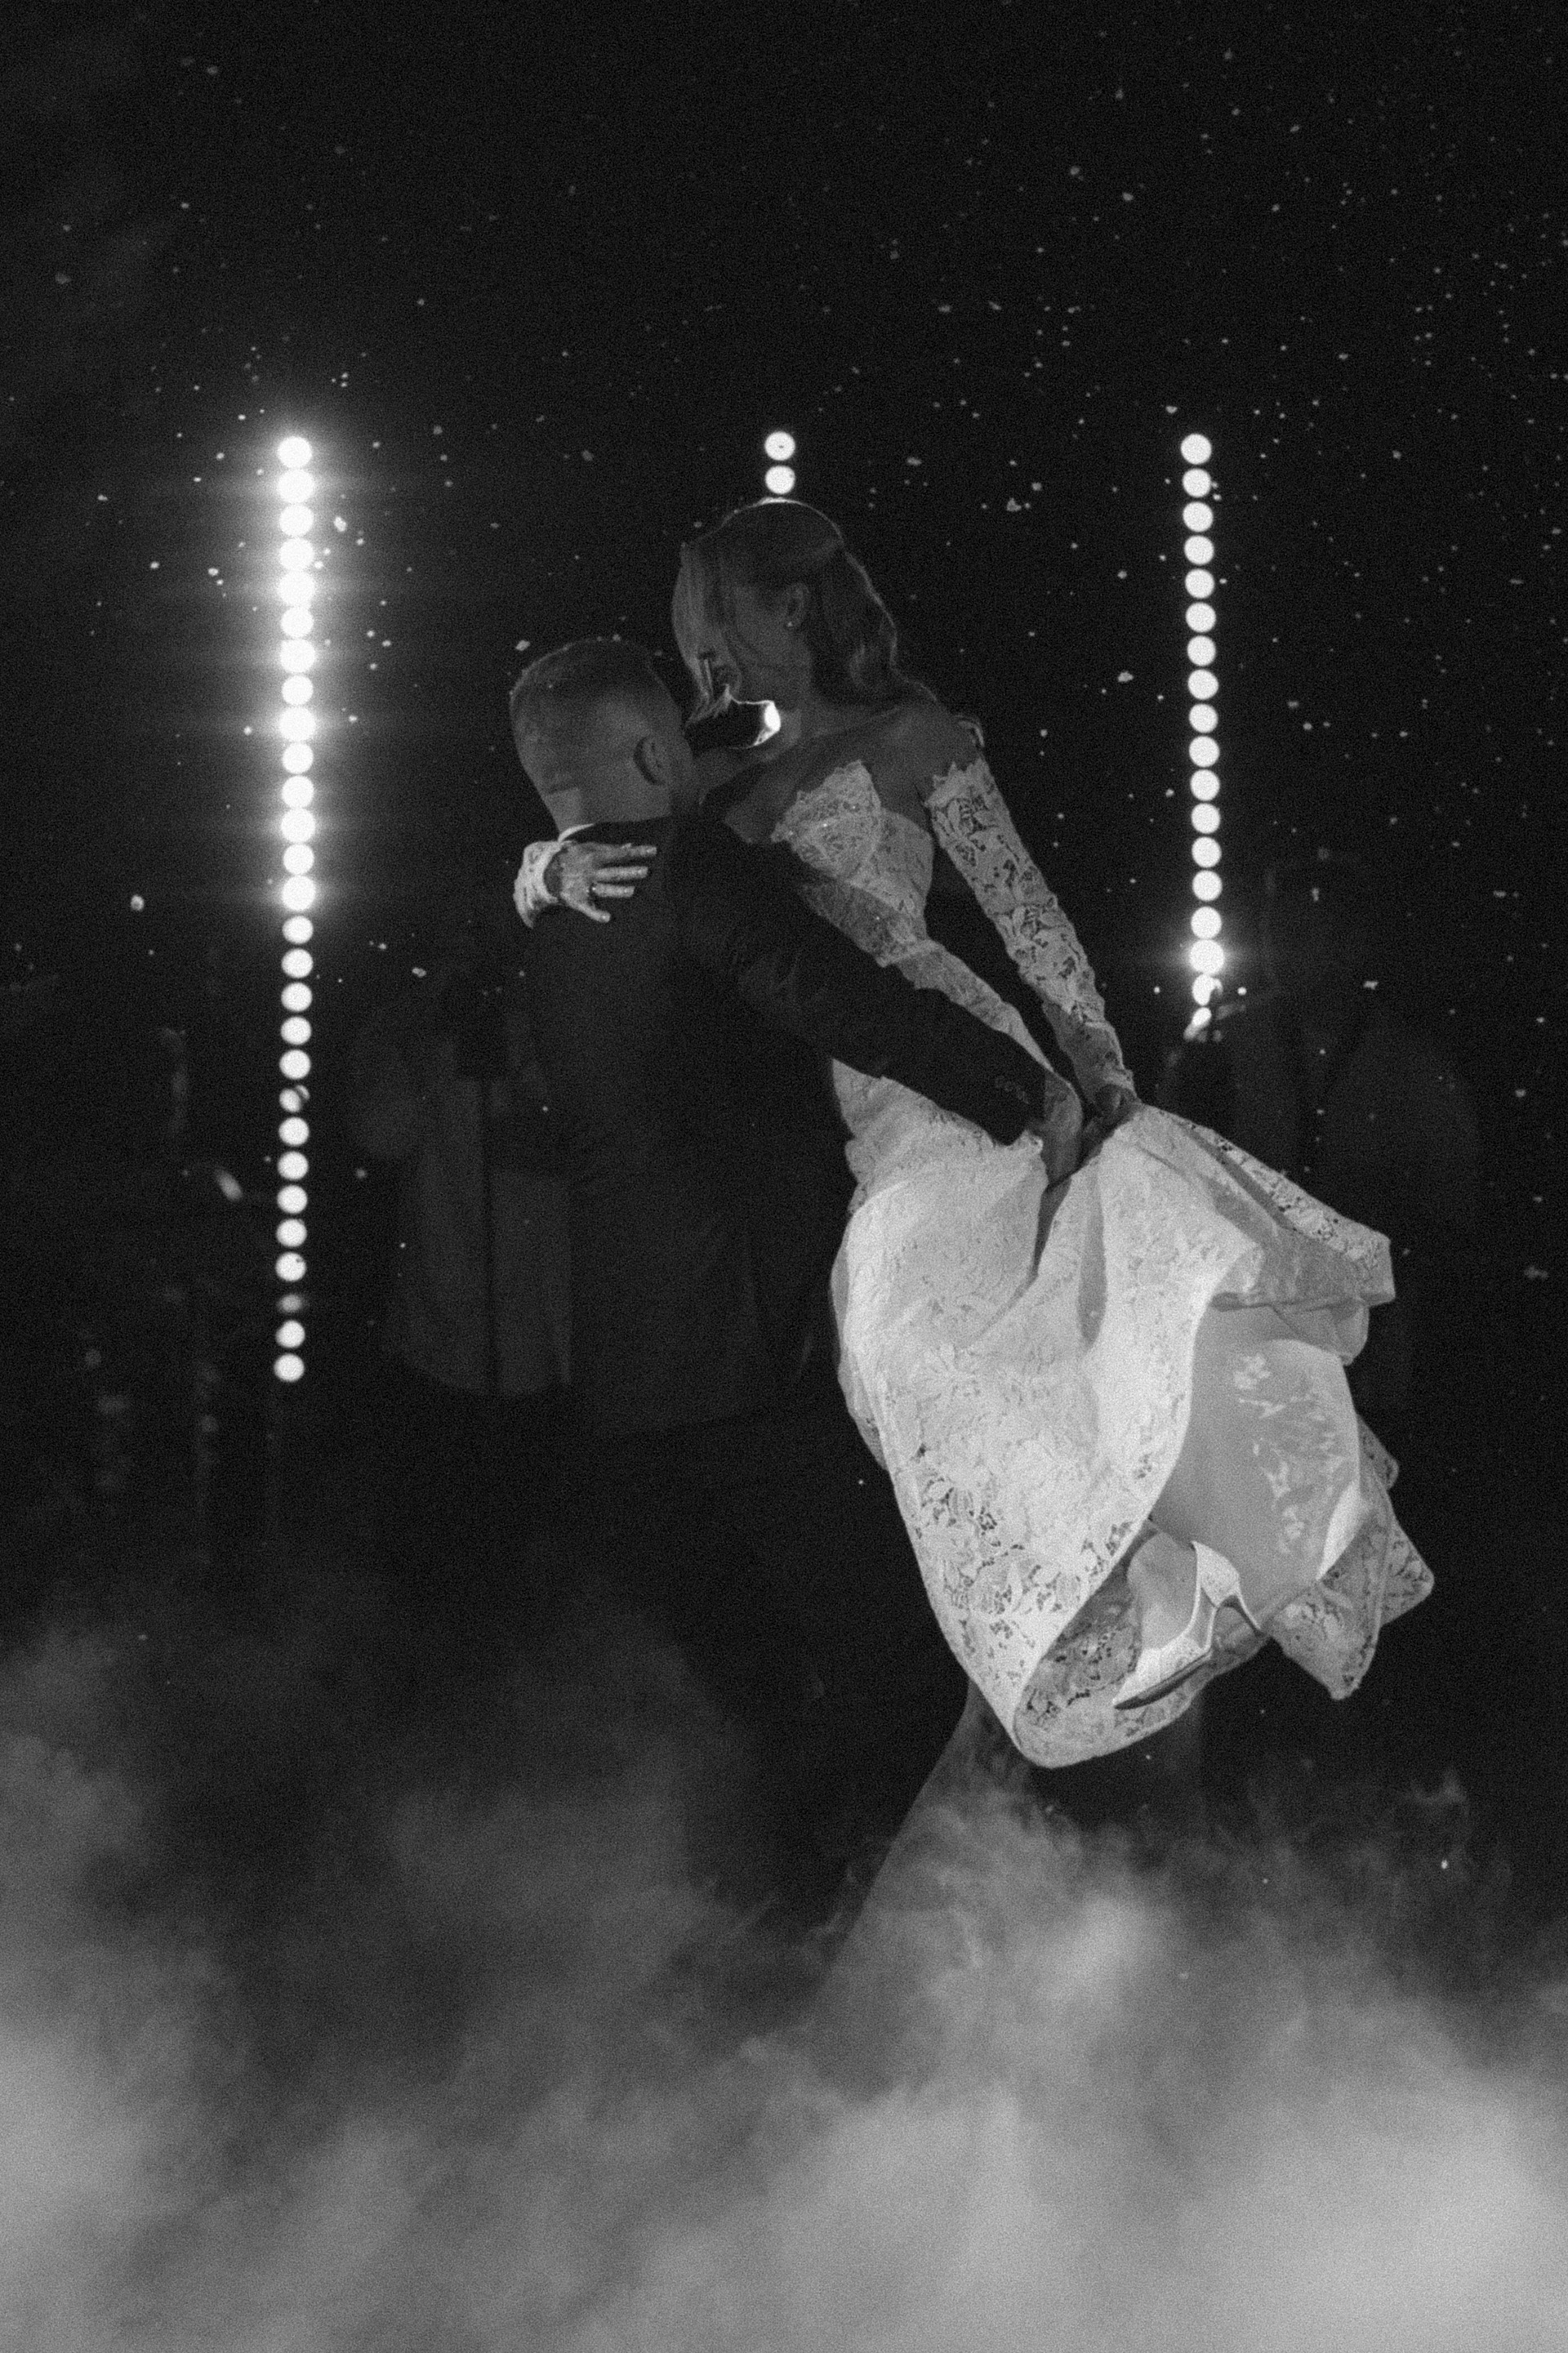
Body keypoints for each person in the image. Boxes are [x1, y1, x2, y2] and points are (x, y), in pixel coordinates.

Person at [516, 500, 1432, 1767]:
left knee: (926, 1335)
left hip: (940, 1077)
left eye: (710, 631)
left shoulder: (915, 735)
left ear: (790, 608)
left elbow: (1029, 917)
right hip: (824, 1105)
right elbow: (604, 821)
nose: (702, 666)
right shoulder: (710, 770)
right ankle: (1050, 1625)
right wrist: (542, 869)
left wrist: (1095, 1074)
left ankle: (1126, 1596)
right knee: (912, 1374)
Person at [509, 635, 1071, 1901]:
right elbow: (835, 996)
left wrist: (536, 865)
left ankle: (730, 1971)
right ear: (650, 749)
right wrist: (1021, 1087)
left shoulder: (554, 915)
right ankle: (779, 1959)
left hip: (628, 1378)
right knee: (898, 1681)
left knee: (747, 1716)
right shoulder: (685, 868)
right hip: (750, 1351)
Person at [1160, 853, 1480, 1437]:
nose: (1286, 944)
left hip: (1367, 1334)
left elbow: (1447, 1213)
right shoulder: (1219, 1048)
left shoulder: (1410, 1063)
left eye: (1311, 926)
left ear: (1356, 940)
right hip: (1246, 1316)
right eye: (1277, 925)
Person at [348, 882, 573, 1687]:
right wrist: (434, 1039)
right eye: (465, 931)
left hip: (545, 1342)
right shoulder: (405, 1028)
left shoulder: (556, 1023)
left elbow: (590, 1137)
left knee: (536, 1567)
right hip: (439, 1337)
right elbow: (380, 1133)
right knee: (437, 1561)